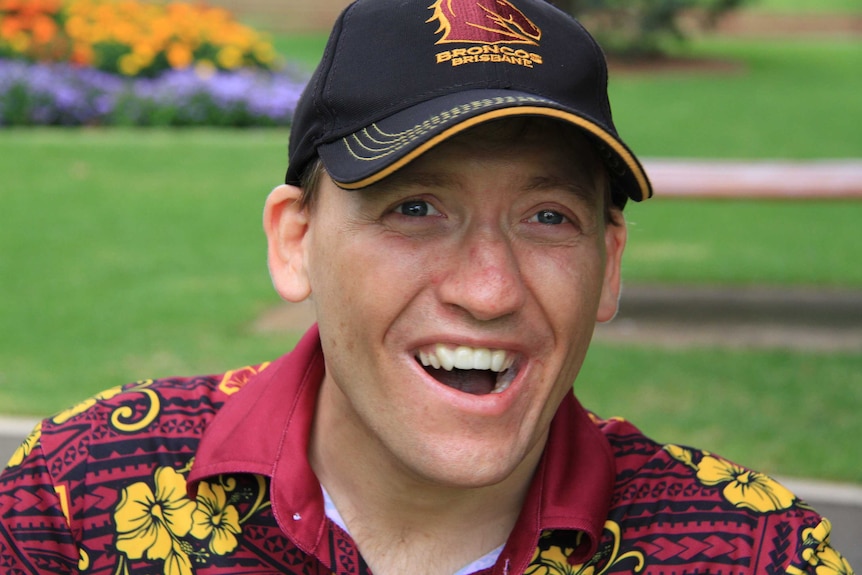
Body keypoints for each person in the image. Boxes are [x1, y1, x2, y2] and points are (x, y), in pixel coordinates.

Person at [0, 0, 854, 573]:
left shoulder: (754, 551)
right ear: (296, 241)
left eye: (549, 217)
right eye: (415, 206)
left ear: (611, 262)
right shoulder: (80, 499)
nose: (489, 290)